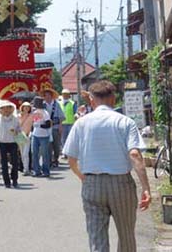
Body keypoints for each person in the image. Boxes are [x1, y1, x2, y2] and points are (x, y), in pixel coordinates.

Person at [63, 80, 151, 252]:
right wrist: (146, 187)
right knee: (126, 235)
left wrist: (83, 177)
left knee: (96, 237)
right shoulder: (125, 122)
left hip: (92, 184)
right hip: (121, 183)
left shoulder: (81, 123)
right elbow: (134, 154)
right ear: (113, 99)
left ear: (91, 100)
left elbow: (71, 158)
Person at [0, 102, 21, 188]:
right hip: (2, 142)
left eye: (8, 108)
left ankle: (14, 179)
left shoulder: (15, 119)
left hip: (13, 142)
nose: (6, 110)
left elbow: (19, 130)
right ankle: (6, 181)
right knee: (4, 163)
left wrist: (16, 132)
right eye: (4, 108)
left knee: (14, 162)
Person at [42, 88, 64, 167]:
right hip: (46, 128)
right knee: (48, 145)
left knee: (56, 144)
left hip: (55, 126)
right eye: (45, 95)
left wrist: (61, 126)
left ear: (51, 96)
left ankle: (56, 158)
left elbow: (61, 116)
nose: (47, 97)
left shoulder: (56, 104)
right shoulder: (42, 105)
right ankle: (49, 160)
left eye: (48, 95)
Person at [30, 97, 52, 177]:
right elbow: (33, 122)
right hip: (35, 135)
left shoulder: (45, 113)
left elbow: (48, 124)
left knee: (44, 154)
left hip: (44, 136)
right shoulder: (34, 112)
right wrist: (32, 129)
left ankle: (46, 171)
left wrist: (40, 125)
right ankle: (36, 170)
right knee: (34, 153)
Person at [18, 102, 34, 176]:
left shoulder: (32, 116)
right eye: (25, 107)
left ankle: (26, 169)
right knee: (22, 153)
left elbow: (36, 122)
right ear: (22, 107)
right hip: (20, 135)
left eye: (28, 107)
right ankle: (25, 168)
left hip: (28, 135)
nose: (26, 108)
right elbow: (17, 126)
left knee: (25, 153)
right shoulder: (18, 116)